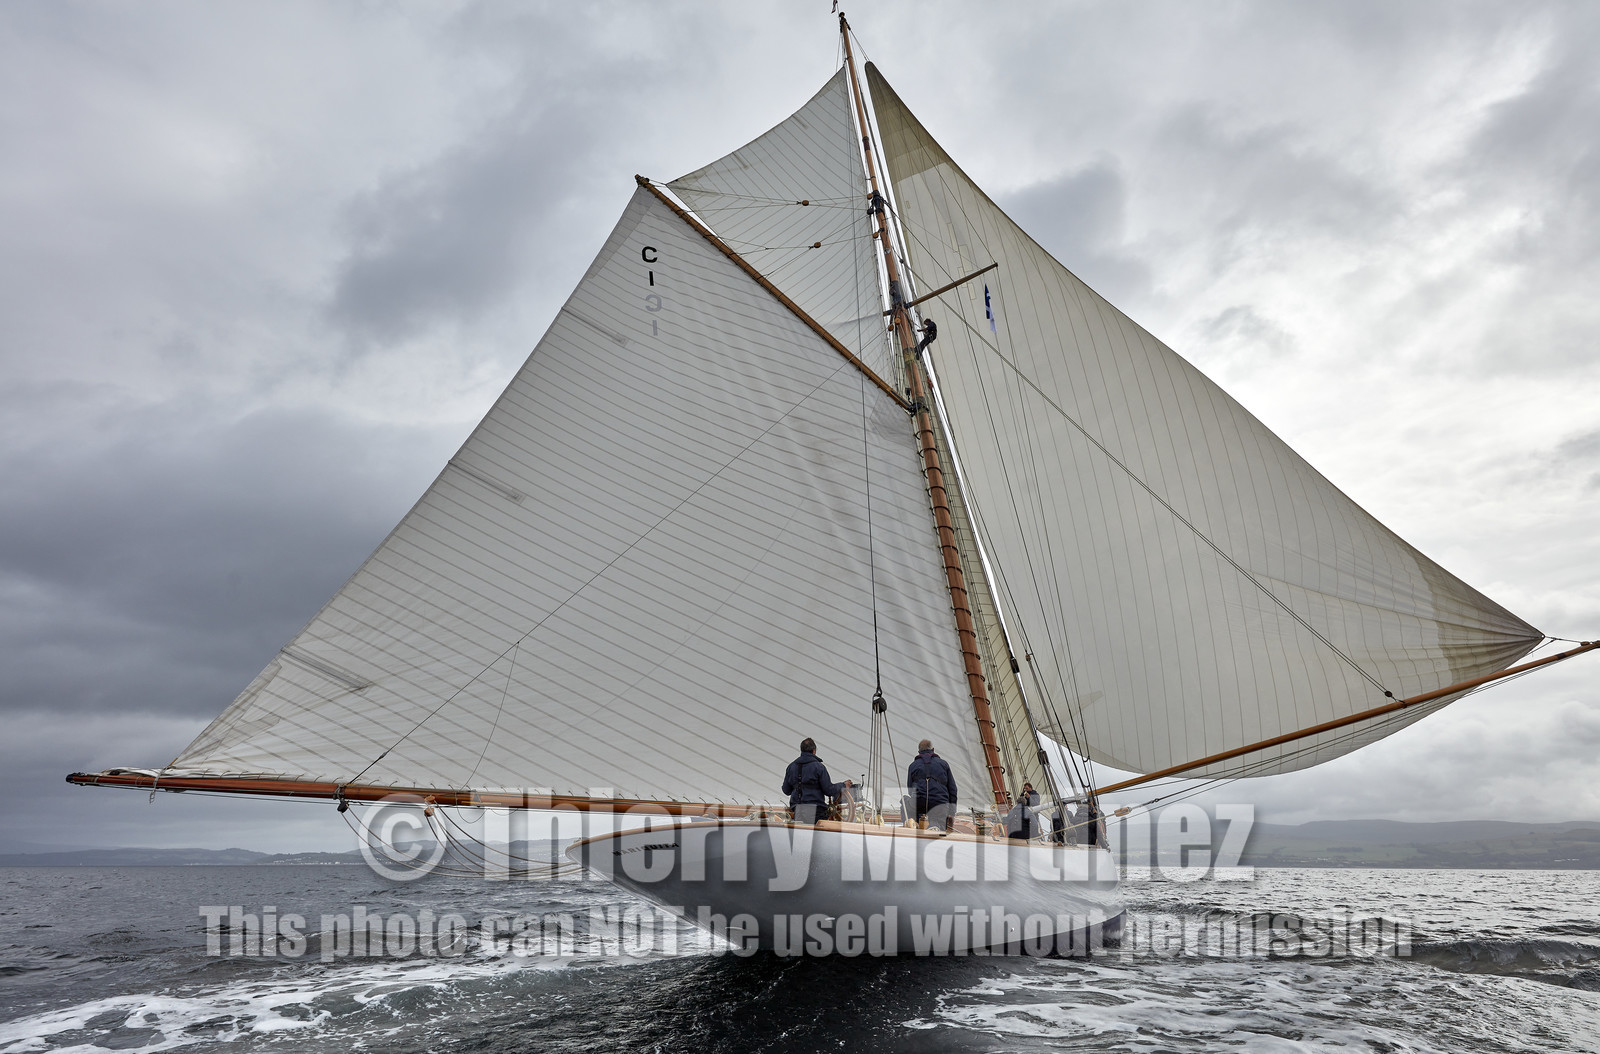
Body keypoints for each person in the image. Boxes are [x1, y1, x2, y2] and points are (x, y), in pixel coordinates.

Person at [781, 737, 850, 825]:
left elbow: (786, 791)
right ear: (814, 751)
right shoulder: (819, 767)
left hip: (798, 811)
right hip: (816, 811)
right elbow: (828, 790)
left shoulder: (791, 767)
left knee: (801, 836)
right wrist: (843, 785)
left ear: (801, 750)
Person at [906, 739, 957, 832]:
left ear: (919, 752)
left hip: (919, 803)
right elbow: (952, 789)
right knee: (939, 825)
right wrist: (952, 812)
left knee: (905, 801)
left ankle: (914, 824)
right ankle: (936, 826)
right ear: (933, 750)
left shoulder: (912, 766)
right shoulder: (943, 764)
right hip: (939, 804)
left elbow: (910, 790)